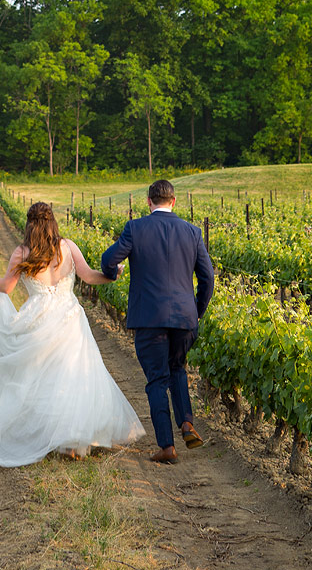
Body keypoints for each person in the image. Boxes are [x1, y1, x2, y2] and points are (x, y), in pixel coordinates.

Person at [0, 201, 145, 467]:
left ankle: (49, 436)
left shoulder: (23, 253)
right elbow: (90, 277)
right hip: (70, 316)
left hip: (38, 319)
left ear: (29, 224)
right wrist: (112, 276)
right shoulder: (67, 247)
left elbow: (5, 288)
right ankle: (71, 440)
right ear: (52, 222)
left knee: (38, 377)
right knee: (72, 375)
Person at [101, 178, 214, 465]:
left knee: (156, 380)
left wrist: (114, 273)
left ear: (149, 201)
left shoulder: (135, 228)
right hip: (184, 317)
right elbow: (208, 278)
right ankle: (186, 422)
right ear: (174, 201)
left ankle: (167, 446)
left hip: (149, 318)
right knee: (177, 367)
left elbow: (108, 259)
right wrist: (196, 310)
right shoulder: (192, 232)